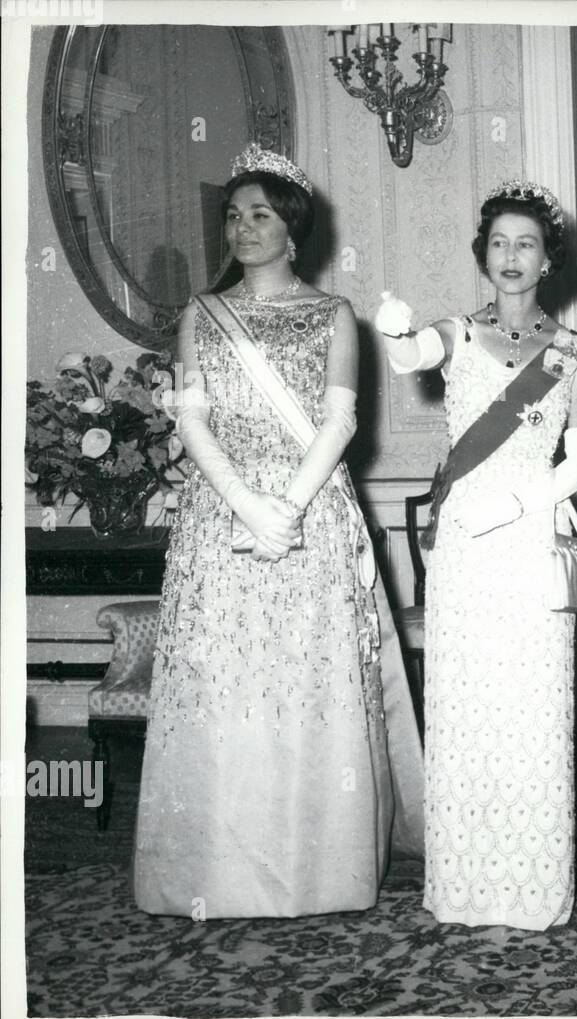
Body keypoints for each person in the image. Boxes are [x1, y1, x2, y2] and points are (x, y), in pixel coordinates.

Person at [134, 144, 423, 918]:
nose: (243, 228)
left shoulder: (335, 315)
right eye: (233, 215)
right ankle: (216, 871)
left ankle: (316, 869)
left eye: (260, 214)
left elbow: (340, 420)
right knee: (226, 682)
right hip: (219, 518)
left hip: (311, 512)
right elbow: (191, 417)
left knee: (303, 682)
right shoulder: (201, 312)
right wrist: (244, 504)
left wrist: (285, 507)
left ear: (293, 229)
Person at [376, 181, 577, 931]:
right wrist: (395, 331)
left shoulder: (573, 353)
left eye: (526, 243)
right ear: (483, 254)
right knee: (467, 711)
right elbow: (414, 354)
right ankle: (465, 887)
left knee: (532, 711)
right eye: (499, 242)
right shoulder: (459, 334)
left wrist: (518, 504)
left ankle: (530, 888)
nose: (511, 256)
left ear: (548, 259)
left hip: (532, 540)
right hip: (466, 547)